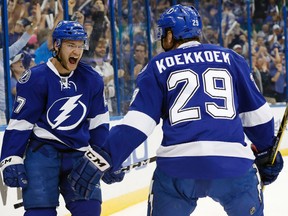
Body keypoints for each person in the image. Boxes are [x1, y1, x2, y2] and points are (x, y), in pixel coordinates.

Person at [68, 5, 283, 216]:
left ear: (171, 34)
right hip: (232, 164)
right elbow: (258, 116)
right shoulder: (232, 59)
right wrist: (266, 151)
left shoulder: (157, 66)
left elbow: (138, 124)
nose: (162, 38)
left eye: (164, 33)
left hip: (179, 167)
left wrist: (107, 157)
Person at [0, 20, 124, 216]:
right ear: (57, 45)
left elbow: (99, 125)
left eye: (79, 45)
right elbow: (20, 124)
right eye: (70, 45)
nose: (76, 51)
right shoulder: (35, 78)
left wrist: (106, 156)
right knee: (39, 214)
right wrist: (10, 157)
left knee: (89, 210)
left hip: (79, 155)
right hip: (42, 153)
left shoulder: (92, 79)